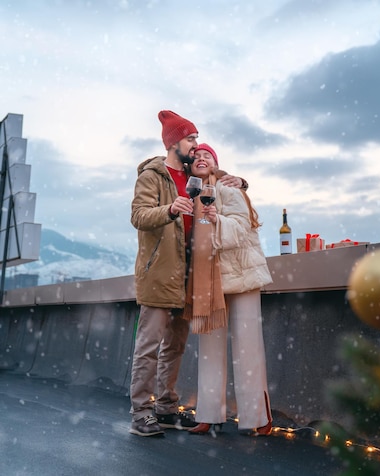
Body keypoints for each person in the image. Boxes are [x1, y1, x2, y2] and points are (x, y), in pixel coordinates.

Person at [129, 112, 249, 437]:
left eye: (196, 139)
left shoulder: (188, 172)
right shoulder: (153, 175)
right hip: (159, 271)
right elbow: (138, 215)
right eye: (191, 139)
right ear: (173, 142)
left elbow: (215, 172)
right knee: (149, 345)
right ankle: (140, 415)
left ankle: (165, 409)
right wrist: (169, 210)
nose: (196, 146)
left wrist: (240, 181)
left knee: (175, 347)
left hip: (187, 275)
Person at [183, 143, 274, 437]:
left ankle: (258, 417)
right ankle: (209, 414)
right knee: (209, 350)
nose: (201, 158)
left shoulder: (231, 189)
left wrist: (216, 219)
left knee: (248, 347)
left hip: (242, 276)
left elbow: (242, 227)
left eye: (207, 155)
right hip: (209, 281)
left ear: (216, 163)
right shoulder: (190, 194)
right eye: (196, 156)